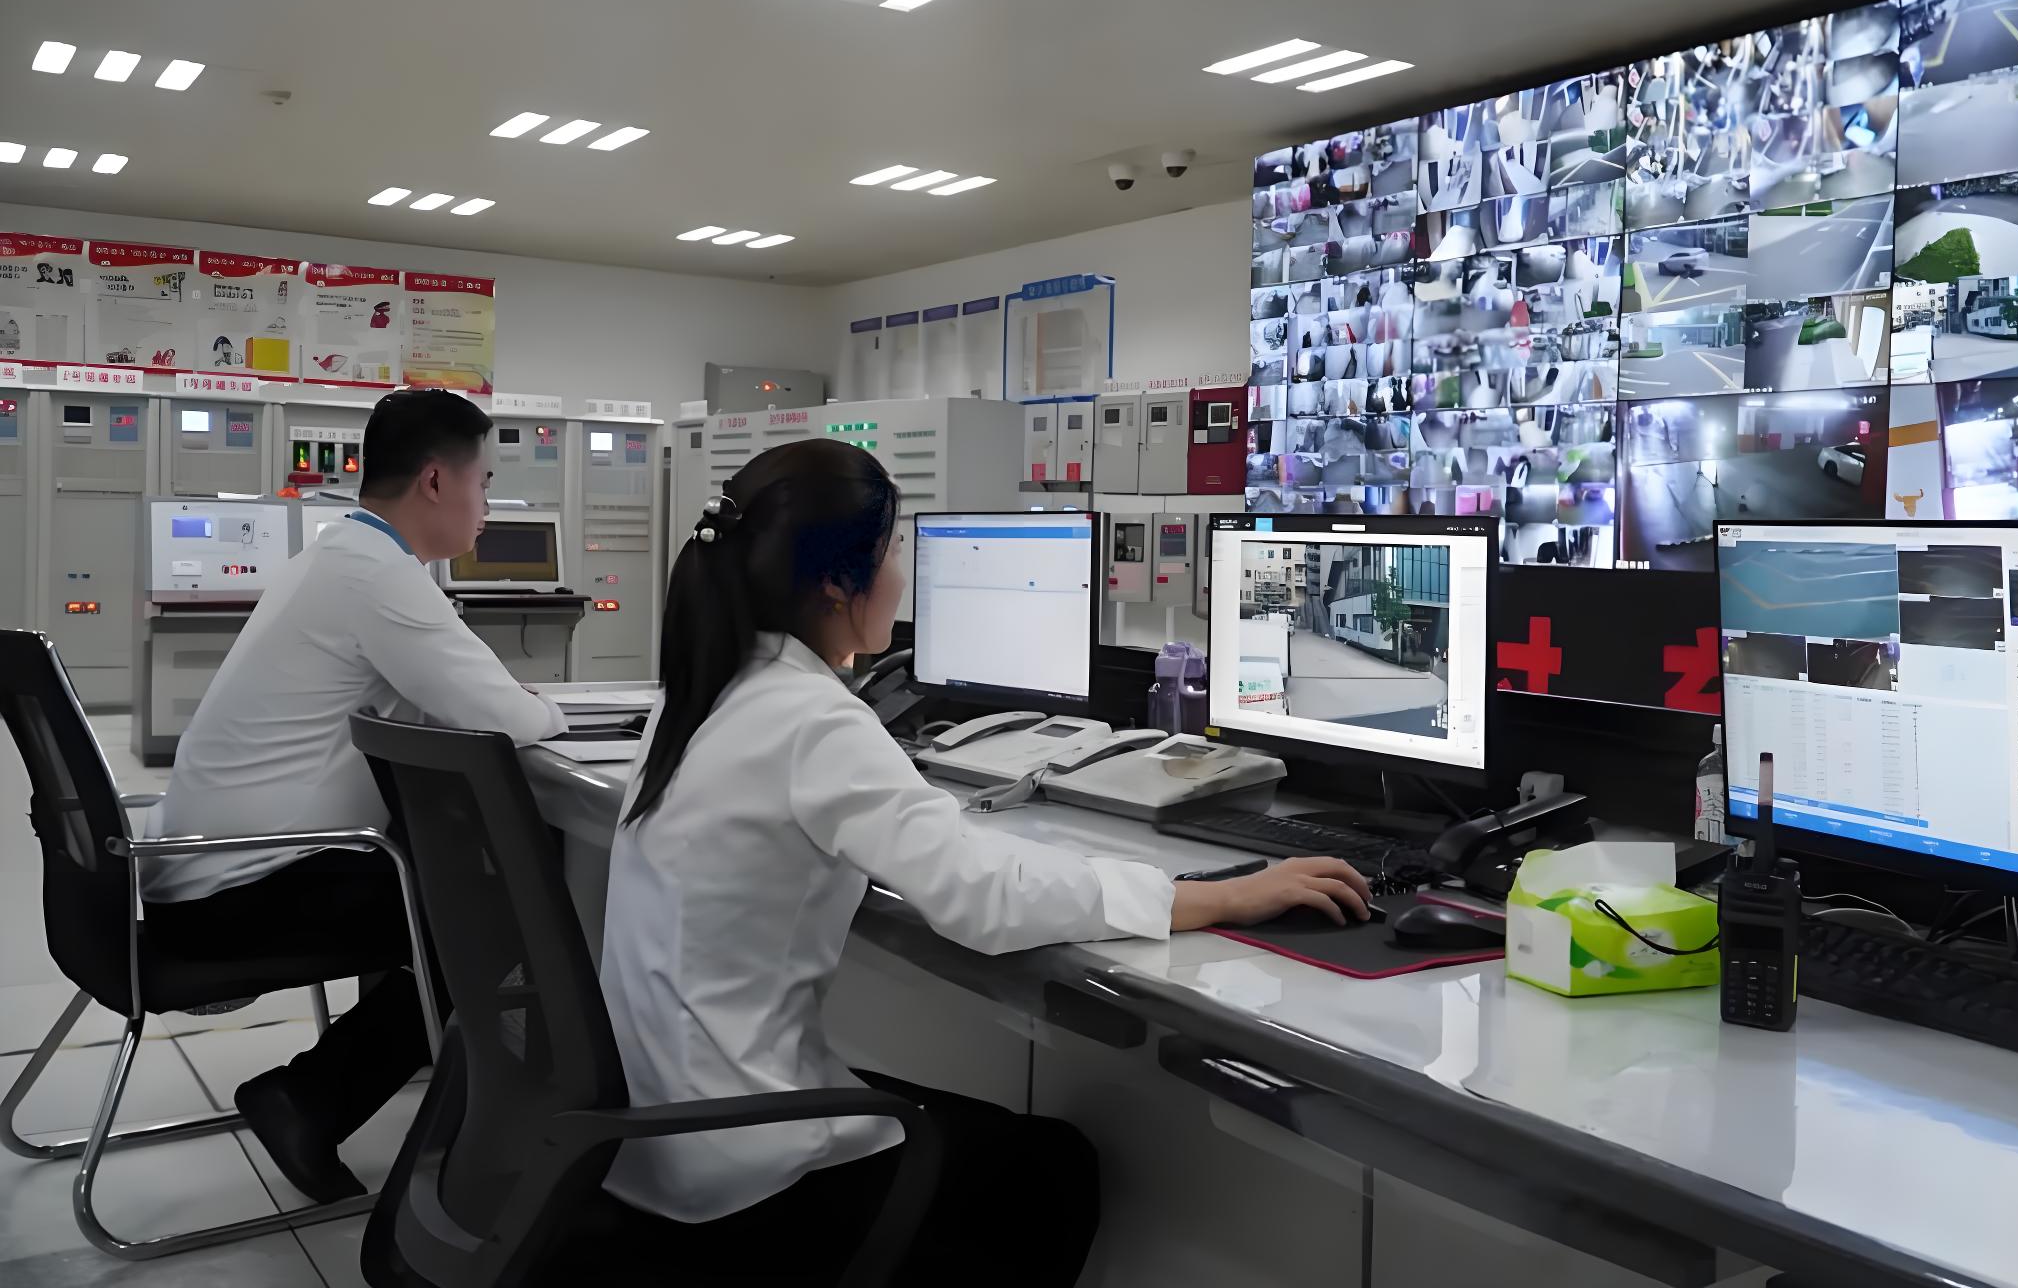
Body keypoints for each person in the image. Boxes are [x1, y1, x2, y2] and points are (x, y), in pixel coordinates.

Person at [601, 439, 1369, 1284]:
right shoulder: (809, 716)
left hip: (661, 1138)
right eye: (893, 553)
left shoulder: (706, 689)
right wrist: (1209, 898)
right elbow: (980, 898)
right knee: (1050, 1172)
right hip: (748, 1171)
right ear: (836, 585)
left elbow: (941, 855)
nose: (903, 578)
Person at [142, 389, 566, 1203]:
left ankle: (373, 1083)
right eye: (483, 482)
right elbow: (510, 719)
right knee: (499, 918)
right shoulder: (379, 575)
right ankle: (311, 1100)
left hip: (203, 868)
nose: (487, 506)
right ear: (436, 481)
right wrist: (545, 707)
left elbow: (431, 702)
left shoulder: (339, 553)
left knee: (462, 896)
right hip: (239, 890)